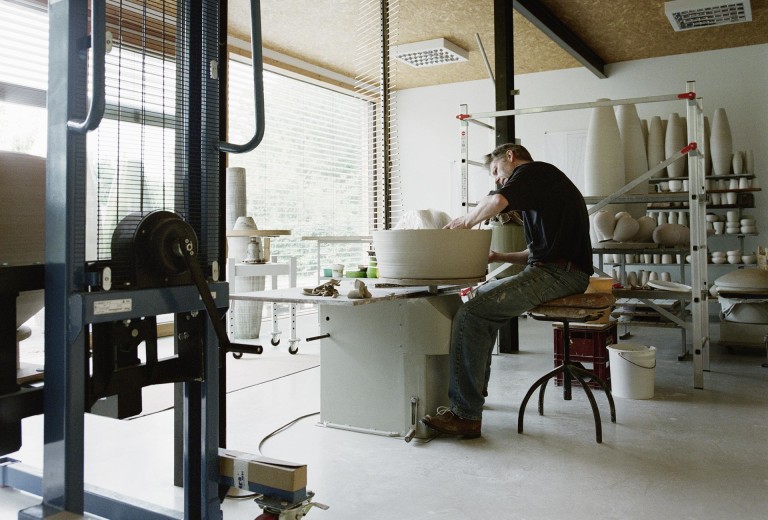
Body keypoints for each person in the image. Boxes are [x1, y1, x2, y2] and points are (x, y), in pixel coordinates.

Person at [421, 143, 594, 438]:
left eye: (497, 171)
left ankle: (465, 414)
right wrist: (500, 257)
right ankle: (473, 394)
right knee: (477, 301)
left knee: (470, 314)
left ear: (511, 157)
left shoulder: (533, 171)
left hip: (560, 274)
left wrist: (465, 221)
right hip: (556, 270)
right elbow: (537, 253)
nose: (498, 179)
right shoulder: (545, 186)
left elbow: (499, 200)